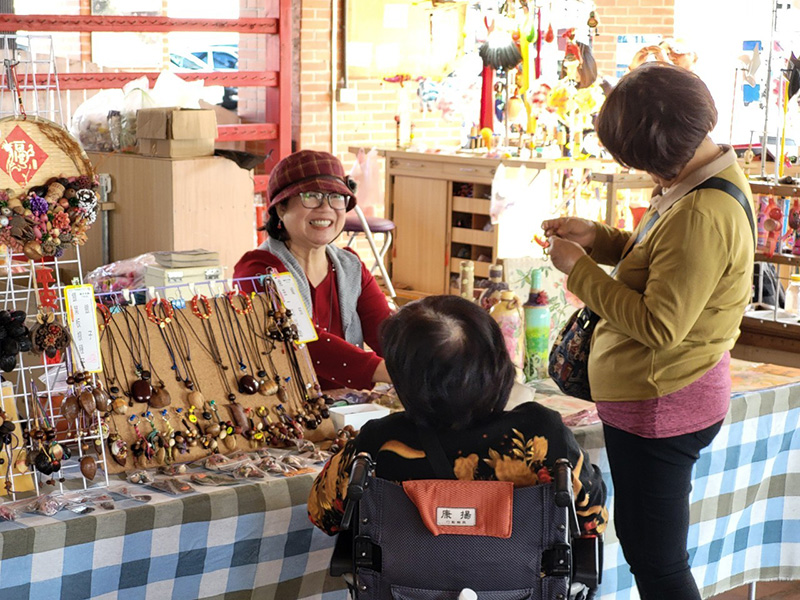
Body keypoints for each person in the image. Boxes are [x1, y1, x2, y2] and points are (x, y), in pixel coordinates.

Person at [542, 63, 754, 600]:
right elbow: (658, 260)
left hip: (662, 403)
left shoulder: (702, 211)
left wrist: (580, 271)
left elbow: (659, 325)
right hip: (659, 394)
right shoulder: (699, 178)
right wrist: (600, 238)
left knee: (657, 562)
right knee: (646, 546)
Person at [308, 295, 607, 538]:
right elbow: (593, 518)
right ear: (497, 365)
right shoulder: (541, 431)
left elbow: (322, 514)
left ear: (403, 378)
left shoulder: (379, 441)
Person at [233, 150, 392, 390]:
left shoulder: (350, 267)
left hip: (348, 405)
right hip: (284, 408)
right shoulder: (259, 270)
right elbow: (300, 339)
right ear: (281, 207)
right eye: (311, 196)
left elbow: (387, 332)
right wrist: (387, 372)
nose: (326, 208)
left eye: (336, 197)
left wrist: (424, 359)